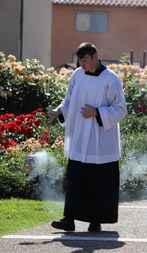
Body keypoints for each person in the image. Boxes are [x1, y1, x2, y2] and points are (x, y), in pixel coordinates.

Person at [49, 42, 127, 232]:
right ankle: (69, 219)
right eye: (79, 61)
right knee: (75, 177)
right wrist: (59, 111)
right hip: (79, 135)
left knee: (99, 180)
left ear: (95, 56)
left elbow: (121, 109)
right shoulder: (77, 75)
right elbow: (69, 101)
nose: (81, 65)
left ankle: (96, 221)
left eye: (84, 61)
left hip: (101, 138)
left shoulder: (111, 79)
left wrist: (97, 112)